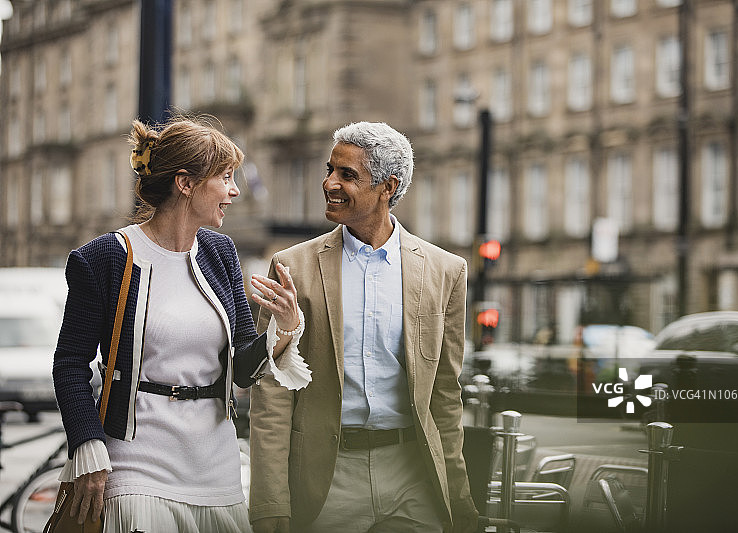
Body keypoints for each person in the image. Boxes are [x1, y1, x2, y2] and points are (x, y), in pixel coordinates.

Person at [52, 116, 311, 533]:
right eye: (225, 177)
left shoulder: (221, 252)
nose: (234, 191)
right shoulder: (103, 258)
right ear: (185, 183)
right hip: (135, 467)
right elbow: (69, 364)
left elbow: (243, 369)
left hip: (216, 467)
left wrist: (283, 328)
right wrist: (87, 442)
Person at [248, 121, 479, 533]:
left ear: (387, 187)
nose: (329, 183)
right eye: (329, 170)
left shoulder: (447, 271)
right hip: (328, 477)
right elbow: (273, 393)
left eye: (347, 175)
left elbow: (445, 396)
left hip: (414, 476)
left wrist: (460, 503)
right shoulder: (293, 267)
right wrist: (270, 503)